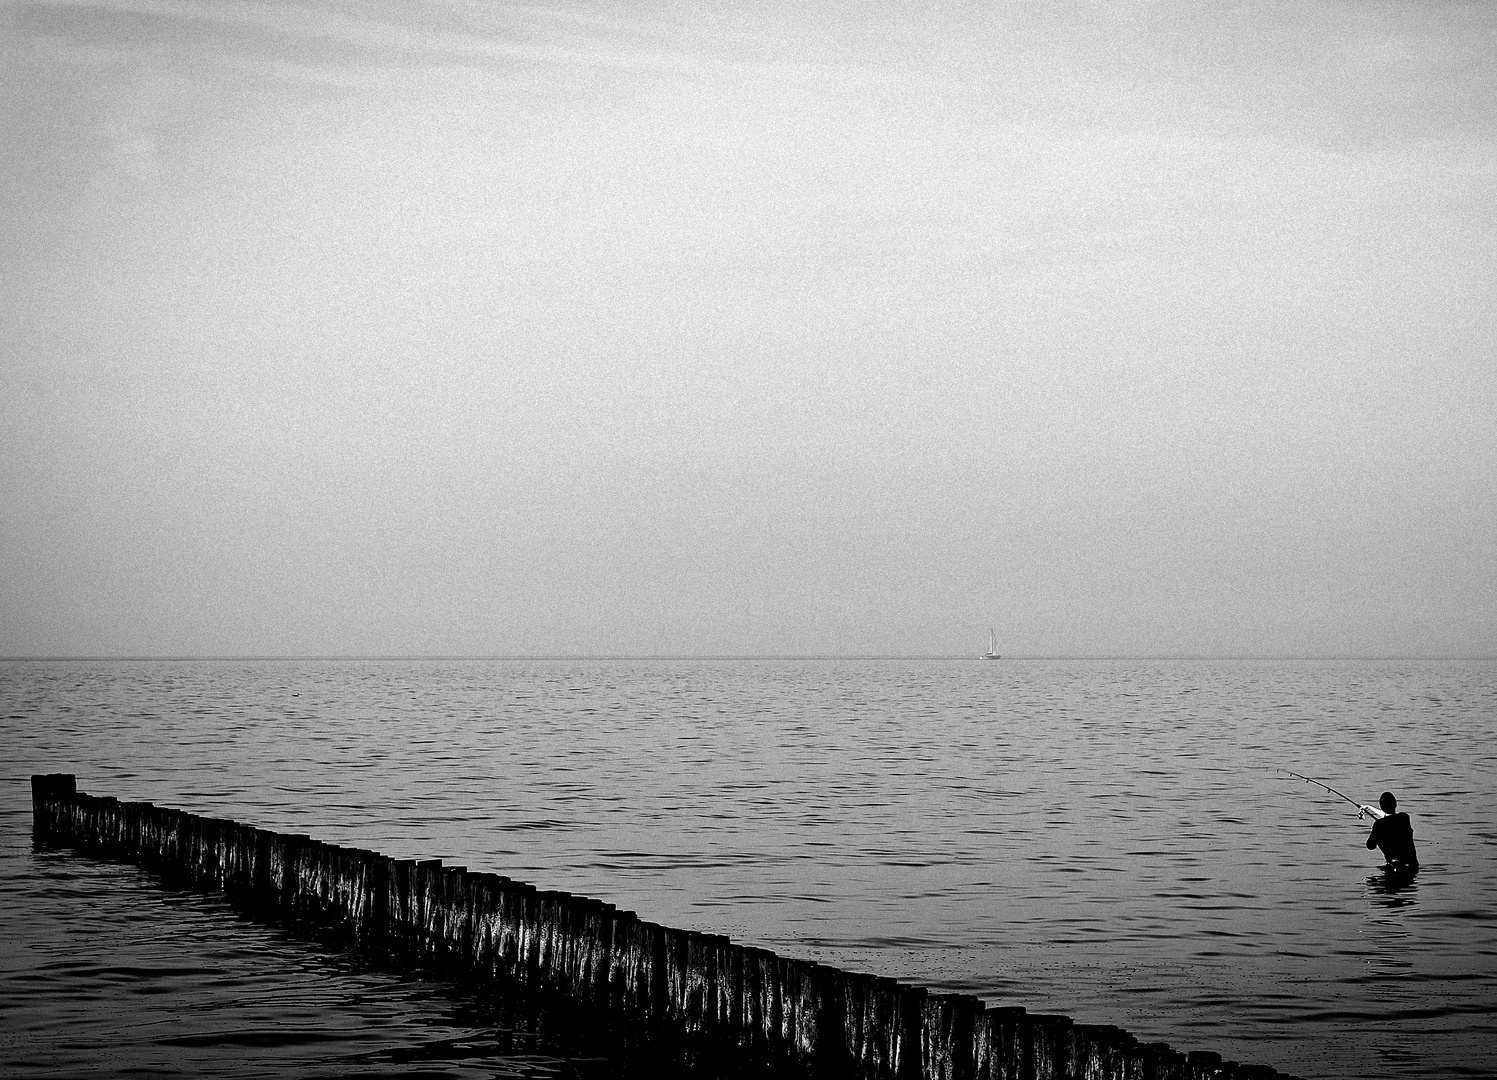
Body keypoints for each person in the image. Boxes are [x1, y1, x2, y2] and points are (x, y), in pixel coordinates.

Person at [1366, 791, 1418, 870]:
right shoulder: (1404, 818)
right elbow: (1390, 817)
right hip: (1412, 866)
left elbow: (1370, 846)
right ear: (1396, 804)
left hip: (1393, 867)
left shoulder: (1378, 825)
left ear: (1381, 807)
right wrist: (1369, 808)